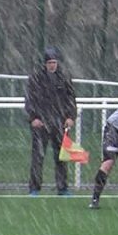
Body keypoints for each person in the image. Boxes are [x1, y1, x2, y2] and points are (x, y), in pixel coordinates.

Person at [24, 46, 77, 196]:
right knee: (38, 157)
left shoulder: (64, 77)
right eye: (49, 63)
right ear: (45, 64)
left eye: (54, 62)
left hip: (60, 123)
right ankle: (34, 188)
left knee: (62, 157)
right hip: (41, 123)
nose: (52, 65)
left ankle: (62, 188)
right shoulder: (36, 78)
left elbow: (71, 98)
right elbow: (29, 99)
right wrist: (33, 118)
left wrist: (70, 116)